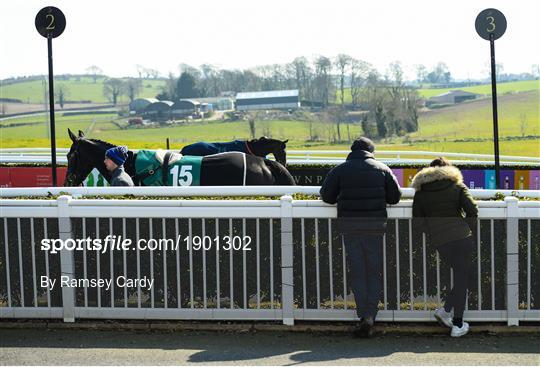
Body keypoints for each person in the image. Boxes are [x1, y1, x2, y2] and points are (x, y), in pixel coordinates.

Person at [320, 137, 401, 337]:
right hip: (375, 228)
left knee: (357, 271)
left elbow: (327, 197)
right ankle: (371, 315)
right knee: (373, 271)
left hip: (350, 228)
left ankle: (362, 313)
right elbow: (395, 198)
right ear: (371, 151)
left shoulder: (339, 170)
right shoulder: (382, 169)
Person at [411, 157, 478, 337]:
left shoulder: (421, 192)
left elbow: (418, 223)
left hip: (441, 241)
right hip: (462, 237)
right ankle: (457, 323)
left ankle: (446, 310)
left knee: (463, 277)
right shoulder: (457, 186)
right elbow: (472, 210)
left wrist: (434, 233)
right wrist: (467, 228)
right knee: (464, 278)